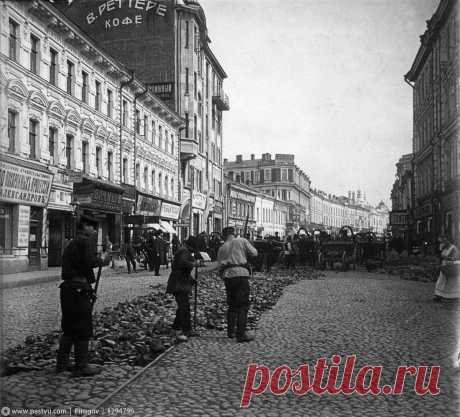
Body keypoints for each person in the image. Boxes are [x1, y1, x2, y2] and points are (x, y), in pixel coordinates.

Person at [56, 215, 110, 377]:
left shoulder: (73, 242)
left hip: (69, 288)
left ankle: (61, 365)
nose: (94, 230)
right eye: (92, 227)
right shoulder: (84, 241)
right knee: (82, 327)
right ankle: (81, 366)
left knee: (69, 327)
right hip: (78, 289)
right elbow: (90, 262)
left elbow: (83, 262)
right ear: (85, 226)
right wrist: (105, 256)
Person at [217, 227, 258, 343]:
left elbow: (219, 265)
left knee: (232, 305)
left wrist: (223, 276)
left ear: (224, 236)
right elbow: (255, 253)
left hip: (228, 276)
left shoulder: (222, 247)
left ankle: (230, 332)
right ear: (233, 233)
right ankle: (241, 334)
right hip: (241, 274)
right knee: (243, 306)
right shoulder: (241, 241)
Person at [166, 236, 199, 342]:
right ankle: (187, 329)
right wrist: (194, 264)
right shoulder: (184, 251)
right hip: (178, 283)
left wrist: (191, 279)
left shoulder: (183, 250)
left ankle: (176, 327)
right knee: (184, 307)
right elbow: (183, 264)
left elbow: (182, 268)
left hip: (179, 282)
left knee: (183, 306)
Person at [434, 235, 460, 301]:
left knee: (452, 283)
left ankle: (452, 296)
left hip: (452, 267)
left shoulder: (453, 248)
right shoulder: (443, 247)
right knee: (441, 281)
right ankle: (439, 295)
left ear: (449, 240)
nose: (444, 242)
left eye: (445, 240)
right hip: (444, 267)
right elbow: (440, 256)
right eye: (443, 241)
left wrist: (449, 259)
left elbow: (456, 257)